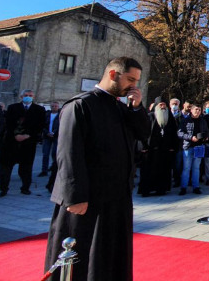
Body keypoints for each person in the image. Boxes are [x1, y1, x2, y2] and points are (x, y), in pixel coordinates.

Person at [45, 57, 151, 280]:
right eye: (130, 79)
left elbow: (144, 134)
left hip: (116, 198)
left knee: (110, 257)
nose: (133, 86)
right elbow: (68, 153)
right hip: (87, 199)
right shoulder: (81, 105)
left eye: (137, 81)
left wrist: (137, 108)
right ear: (113, 74)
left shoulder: (122, 108)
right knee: (82, 259)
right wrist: (74, 196)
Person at [0, 89, 46, 196]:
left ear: (33, 97)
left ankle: (25, 187)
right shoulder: (13, 107)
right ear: (21, 96)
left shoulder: (39, 109)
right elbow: (8, 124)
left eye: (30, 95)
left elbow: (40, 125)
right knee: (6, 167)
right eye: (26, 95)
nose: (28, 97)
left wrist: (28, 135)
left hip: (28, 143)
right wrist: (16, 135)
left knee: (26, 168)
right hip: (12, 142)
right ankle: (3, 188)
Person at [138, 98, 179, 197]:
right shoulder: (150, 116)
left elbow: (174, 133)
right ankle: (146, 190)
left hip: (164, 149)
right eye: (160, 105)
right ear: (156, 105)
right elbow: (143, 132)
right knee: (148, 171)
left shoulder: (170, 117)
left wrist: (173, 146)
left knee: (163, 170)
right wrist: (144, 146)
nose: (162, 106)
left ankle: (161, 189)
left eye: (164, 105)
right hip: (151, 149)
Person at [178, 104, 209, 195]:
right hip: (188, 146)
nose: (198, 111)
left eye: (199, 110)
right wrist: (190, 137)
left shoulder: (203, 121)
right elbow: (180, 133)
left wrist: (205, 137)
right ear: (191, 110)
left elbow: (207, 131)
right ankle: (183, 187)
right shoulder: (185, 120)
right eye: (196, 109)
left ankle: (196, 187)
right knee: (186, 168)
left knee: (196, 168)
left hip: (199, 146)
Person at [39, 102, 60, 177]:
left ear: (58, 107)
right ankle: (44, 170)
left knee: (55, 153)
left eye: (56, 106)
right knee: (45, 154)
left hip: (56, 136)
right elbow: (42, 124)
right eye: (52, 106)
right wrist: (47, 132)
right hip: (46, 136)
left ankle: (54, 168)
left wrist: (54, 133)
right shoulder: (46, 115)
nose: (54, 107)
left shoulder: (61, 115)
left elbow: (61, 125)